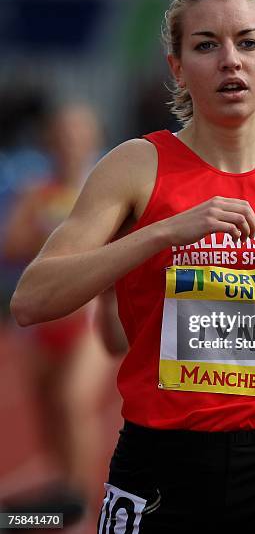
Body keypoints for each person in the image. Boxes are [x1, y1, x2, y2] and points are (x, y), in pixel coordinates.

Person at [11, 0, 255, 533]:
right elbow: (30, 299)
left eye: (246, 42)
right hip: (162, 472)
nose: (230, 60)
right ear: (178, 68)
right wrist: (161, 232)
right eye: (206, 45)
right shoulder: (136, 165)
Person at [2, 103, 117, 523]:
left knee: (72, 401)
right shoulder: (38, 191)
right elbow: (11, 246)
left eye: (78, 135)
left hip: (87, 318)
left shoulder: (103, 188)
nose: (70, 143)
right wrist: (45, 233)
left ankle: (82, 500)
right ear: (50, 141)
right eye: (63, 135)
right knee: (48, 408)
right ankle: (61, 495)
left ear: (92, 140)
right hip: (43, 320)